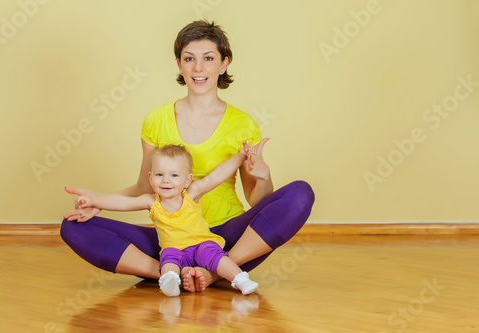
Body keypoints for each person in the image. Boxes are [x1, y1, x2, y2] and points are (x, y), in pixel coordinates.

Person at [61, 20, 315, 292]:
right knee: (72, 227)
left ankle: (217, 271)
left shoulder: (243, 124)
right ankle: (168, 272)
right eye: (189, 58)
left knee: (301, 193)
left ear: (224, 64)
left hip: (226, 238)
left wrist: (263, 175)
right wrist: (100, 201)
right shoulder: (156, 120)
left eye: (208, 58)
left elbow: (259, 202)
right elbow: (145, 188)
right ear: (179, 65)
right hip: (170, 240)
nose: (198, 68)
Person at [67, 144, 260, 296]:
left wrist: (240, 156)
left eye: (174, 175)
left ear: (187, 180)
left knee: (216, 256)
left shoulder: (191, 194)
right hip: (174, 251)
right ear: (151, 178)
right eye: (160, 175)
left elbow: (217, 175)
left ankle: (240, 279)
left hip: (201, 244)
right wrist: (94, 200)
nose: (166, 180)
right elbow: (122, 202)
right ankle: (170, 282)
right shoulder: (151, 201)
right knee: (168, 260)